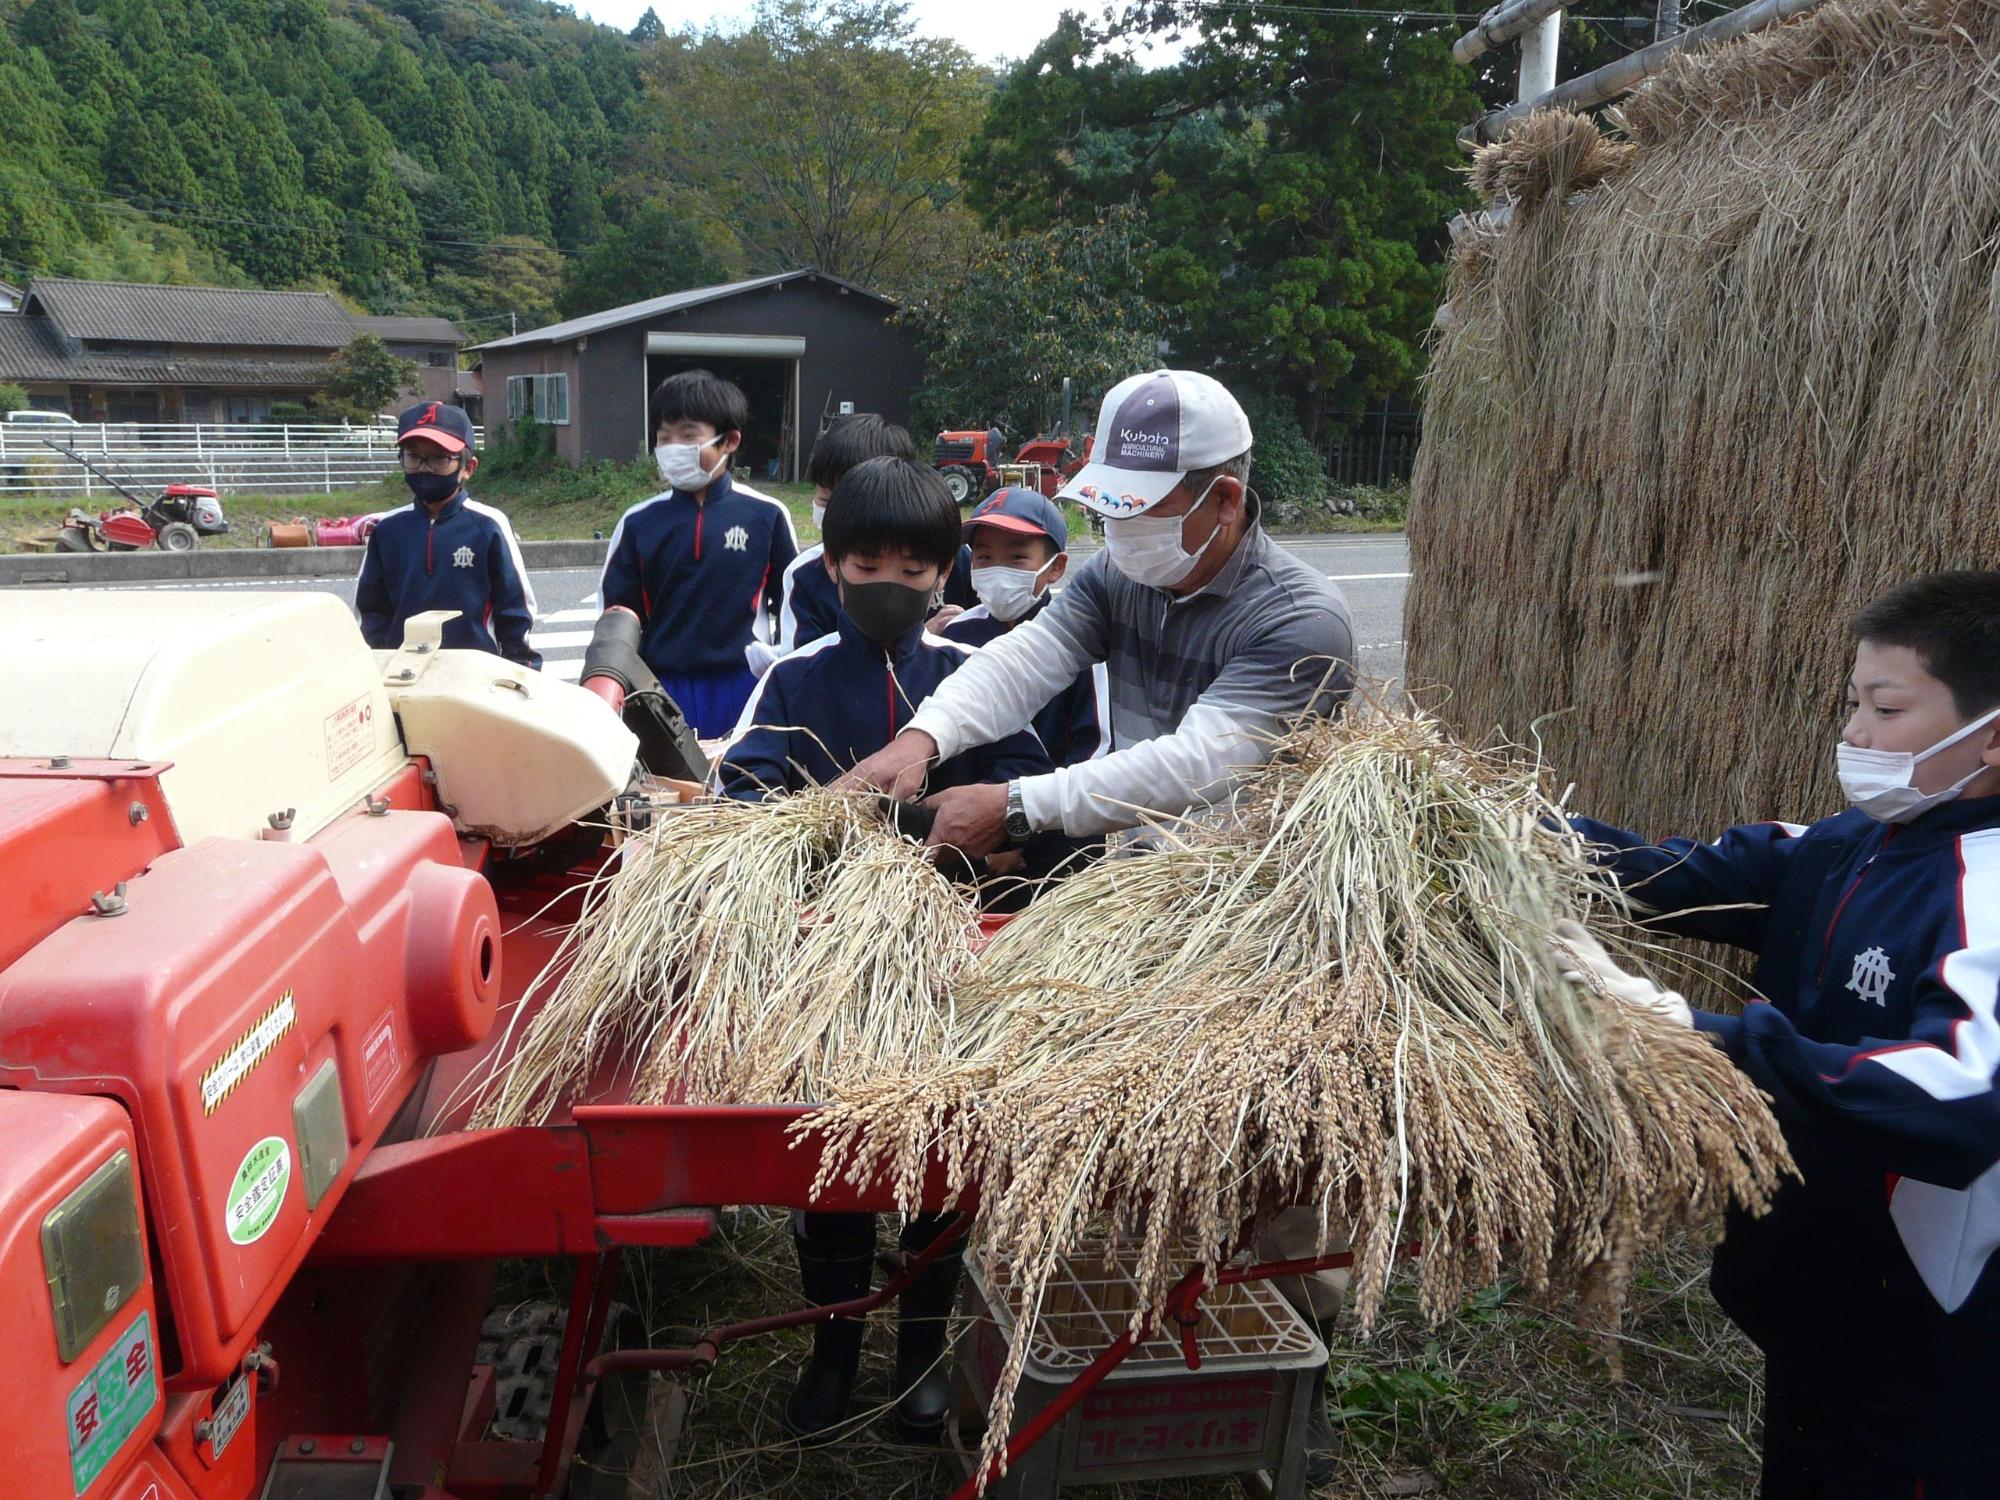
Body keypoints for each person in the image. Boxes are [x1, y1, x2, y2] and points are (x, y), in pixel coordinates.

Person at [1559, 570, 2000, 1499]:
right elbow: (1682, 873)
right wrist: (1507, 836)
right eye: (1851, 702)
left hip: (1928, 1337)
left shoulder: (1986, 894)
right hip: (1819, 1297)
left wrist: (1692, 1031)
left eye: (1885, 708)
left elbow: (1964, 1095)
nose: (1853, 735)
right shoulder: (1851, 844)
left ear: (1990, 735)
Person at [715, 455, 1053, 1443]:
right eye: (867, 562)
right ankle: (830, 1349)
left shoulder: (976, 684)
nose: (889, 585)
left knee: (939, 1153)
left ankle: (919, 1356)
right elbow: (743, 798)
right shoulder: (795, 675)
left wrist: (965, 838)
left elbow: (1027, 801)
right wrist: (810, 828)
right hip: (825, 967)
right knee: (832, 1158)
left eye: (913, 568)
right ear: (830, 565)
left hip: (949, 965)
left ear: (941, 575)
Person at [837, 367, 1356, 853]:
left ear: (1223, 500)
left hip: (1247, 890)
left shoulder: (1300, 622)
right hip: (1137, 878)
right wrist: (923, 739)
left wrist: (1016, 806)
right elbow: (1027, 660)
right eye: (1110, 504)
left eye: (1141, 508)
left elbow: (1203, 763)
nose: (1118, 528)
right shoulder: (1120, 575)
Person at [598, 369, 797, 736]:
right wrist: (616, 685)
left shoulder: (765, 516)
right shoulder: (639, 522)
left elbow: (793, 605)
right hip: (659, 687)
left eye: (689, 436)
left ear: (730, 441)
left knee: (740, 785)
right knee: (668, 790)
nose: (674, 448)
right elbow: (615, 614)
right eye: (664, 437)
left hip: (743, 683)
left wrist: (783, 664)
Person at [356, 401, 539, 668]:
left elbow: (515, 612)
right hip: (401, 675)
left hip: (475, 675)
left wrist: (522, 674)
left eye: (439, 458)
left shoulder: (489, 525)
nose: (424, 468)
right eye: (414, 457)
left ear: (468, 467)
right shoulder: (387, 529)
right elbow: (370, 612)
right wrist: (376, 669)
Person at [777, 414, 977, 657]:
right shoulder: (806, 574)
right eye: (866, 567)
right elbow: (803, 662)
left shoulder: (949, 553)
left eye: (912, 571)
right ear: (833, 564)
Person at [942, 486, 1106, 768]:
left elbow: (1093, 747)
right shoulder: (956, 633)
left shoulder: (1081, 641)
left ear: (1056, 568)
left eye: (1016, 558)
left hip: (1049, 801)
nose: (997, 570)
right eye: (984, 558)